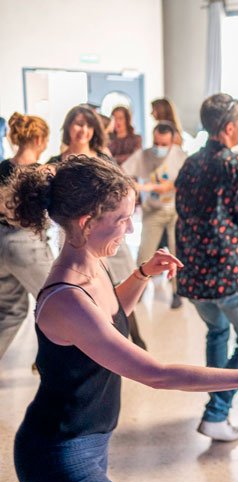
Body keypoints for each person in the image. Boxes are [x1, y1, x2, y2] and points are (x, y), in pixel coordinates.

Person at [6, 156, 238, 482]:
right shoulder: (67, 298)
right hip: (58, 453)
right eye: (122, 219)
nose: (130, 229)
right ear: (87, 222)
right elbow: (157, 374)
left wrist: (142, 274)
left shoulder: (92, 264)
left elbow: (110, 315)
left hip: (90, 440)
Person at [175, 93, 238, 441]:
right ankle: (216, 413)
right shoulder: (235, 164)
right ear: (230, 127)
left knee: (217, 332)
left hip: (195, 270)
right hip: (228, 271)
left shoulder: (190, 163)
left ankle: (216, 407)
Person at [49, 104, 147, 350]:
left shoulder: (103, 158)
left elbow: (123, 188)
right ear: (68, 128)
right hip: (77, 238)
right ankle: (86, 340)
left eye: (88, 125)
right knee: (86, 290)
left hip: (108, 233)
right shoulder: (55, 163)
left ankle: (132, 338)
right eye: (78, 124)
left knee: (117, 285)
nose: (83, 130)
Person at [0, 113, 54, 361]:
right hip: (25, 245)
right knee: (56, 305)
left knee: (10, 311)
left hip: (0, 241)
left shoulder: (2, 167)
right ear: (39, 139)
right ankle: (51, 363)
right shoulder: (39, 173)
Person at [122, 121, 186, 309]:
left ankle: (177, 292)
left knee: (176, 251)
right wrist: (134, 186)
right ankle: (137, 288)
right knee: (145, 252)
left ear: (172, 141)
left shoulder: (180, 156)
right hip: (153, 211)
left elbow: (180, 183)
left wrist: (155, 186)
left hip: (175, 211)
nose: (159, 148)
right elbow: (123, 172)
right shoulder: (144, 155)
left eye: (164, 144)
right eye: (156, 143)